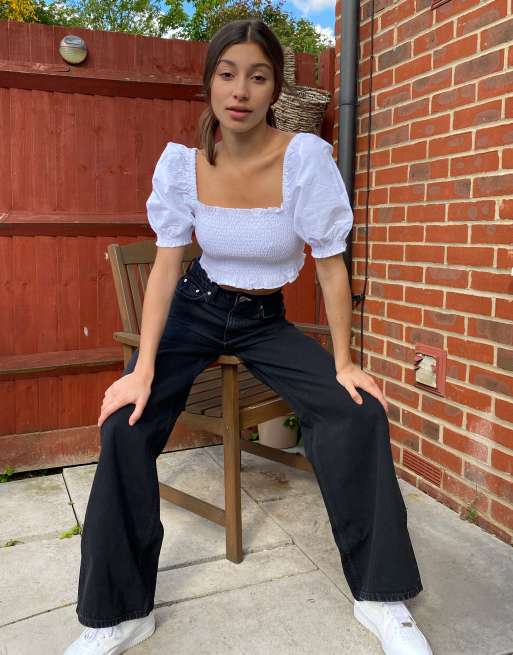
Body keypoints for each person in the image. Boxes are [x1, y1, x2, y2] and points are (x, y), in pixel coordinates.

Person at [65, 18, 433, 655]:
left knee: (358, 412)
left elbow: (330, 266)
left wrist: (345, 362)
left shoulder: (304, 160)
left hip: (264, 322)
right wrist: (142, 368)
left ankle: (380, 597)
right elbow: (167, 269)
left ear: (274, 89)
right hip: (196, 309)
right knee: (124, 425)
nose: (240, 90)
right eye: (227, 74)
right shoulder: (183, 166)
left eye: (257, 77)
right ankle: (120, 614)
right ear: (210, 83)